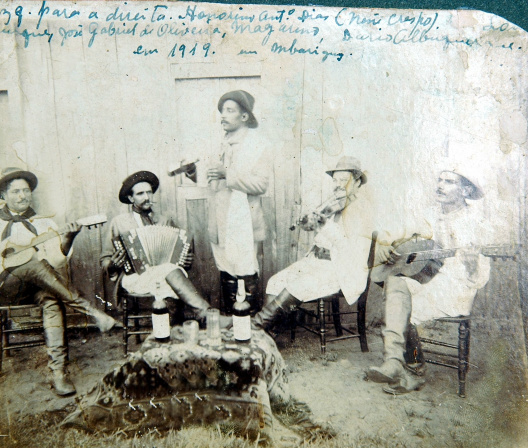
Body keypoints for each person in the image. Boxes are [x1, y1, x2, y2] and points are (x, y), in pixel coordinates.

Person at [0, 167, 120, 397]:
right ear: (4, 196)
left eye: (25, 191)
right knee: (33, 263)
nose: (22, 196)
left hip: (38, 285)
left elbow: (56, 261)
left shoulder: (43, 223)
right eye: (15, 191)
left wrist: (69, 237)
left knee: (51, 299)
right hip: (3, 287)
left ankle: (58, 372)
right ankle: (90, 311)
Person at [366, 169, 492, 394]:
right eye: (440, 179)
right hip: (428, 278)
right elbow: (398, 230)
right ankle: (394, 361)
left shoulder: (477, 223)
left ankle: (414, 370)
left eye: (449, 181)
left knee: (402, 307)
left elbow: (479, 277)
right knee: (394, 283)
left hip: (457, 285)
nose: (440, 185)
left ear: (465, 190)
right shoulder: (430, 213)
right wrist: (384, 242)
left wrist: (472, 264)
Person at [252, 156, 391, 330]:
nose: (338, 184)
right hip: (316, 263)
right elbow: (323, 239)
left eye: (344, 180)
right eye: (335, 180)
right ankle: (270, 332)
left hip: (342, 270)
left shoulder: (362, 210)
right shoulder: (337, 205)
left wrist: (324, 224)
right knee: (276, 281)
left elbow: (348, 249)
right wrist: (311, 225)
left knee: (297, 285)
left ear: (357, 182)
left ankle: (257, 328)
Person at [100, 171, 227, 326]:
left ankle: (173, 327)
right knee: (169, 271)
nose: (147, 197)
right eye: (140, 194)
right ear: (130, 198)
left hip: (165, 275)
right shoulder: (119, 223)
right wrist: (112, 264)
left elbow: (179, 252)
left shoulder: (164, 219)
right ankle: (205, 315)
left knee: (168, 271)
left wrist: (184, 259)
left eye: (149, 192)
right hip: (135, 276)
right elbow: (105, 259)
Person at [186, 90, 272, 314]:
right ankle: (231, 325)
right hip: (219, 219)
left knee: (244, 269)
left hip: (243, 219)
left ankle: (250, 326)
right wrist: (191, 173)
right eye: (222, 111)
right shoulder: (219, 144)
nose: (223, 115)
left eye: (230, 111)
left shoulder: (257, 145)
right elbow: (211, 180)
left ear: (245, 117)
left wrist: (227, 174)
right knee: (225, 269)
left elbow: (261, 185)